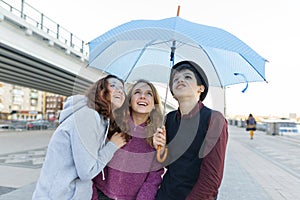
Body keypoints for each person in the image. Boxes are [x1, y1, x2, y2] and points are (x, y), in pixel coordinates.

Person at [32, 75, 129, 199]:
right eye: (113, 85)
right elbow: (87, 172)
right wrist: (112, 146)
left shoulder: (100, 119)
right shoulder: (88, 116)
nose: (120, 90)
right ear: (100, 90)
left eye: (122, 88)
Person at [153, 60, 228, 200]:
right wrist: (161, 149)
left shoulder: (214, 119)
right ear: (173, 92)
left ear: (201, 88)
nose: (180, 80)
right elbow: (167, 164)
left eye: (187, 77)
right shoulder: (169, 119)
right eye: (175, 79)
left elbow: (211, 179)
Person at [92, 79, 164, 200]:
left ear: (154, 105)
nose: (142, 96)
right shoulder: (114, 124)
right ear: (129, 102)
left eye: (149, 94)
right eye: (137, 92)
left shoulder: (157, 136)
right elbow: (93, 159)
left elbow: (154, 179)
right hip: (100, 193)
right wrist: (93, 195)